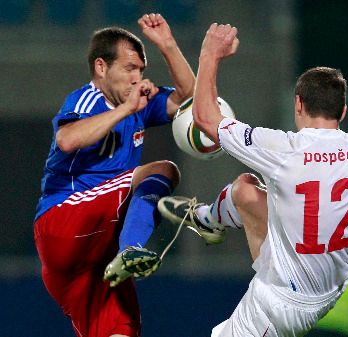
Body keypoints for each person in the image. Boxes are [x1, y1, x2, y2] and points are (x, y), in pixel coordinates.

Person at [158, 23, 348, 337]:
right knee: (244, 190)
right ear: (344, 110)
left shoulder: (282, 149)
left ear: (298, 104)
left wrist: (210, 54)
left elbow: (205, 118)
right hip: (329, 289)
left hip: (284, 301)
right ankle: (206, 220)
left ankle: (206, 220)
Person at [33, 13, 223, 337]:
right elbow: (66, 140)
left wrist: (167, 44)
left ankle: (127, 251)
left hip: (91, 260)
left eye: (141, 70)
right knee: (163, 169)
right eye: (129, 68)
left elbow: (190, 98)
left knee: (122, 331)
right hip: (65, 220)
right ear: (101, 68)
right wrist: (125, 110)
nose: (137, 78)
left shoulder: (138, 102)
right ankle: (132, 246)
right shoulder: (88, 98)